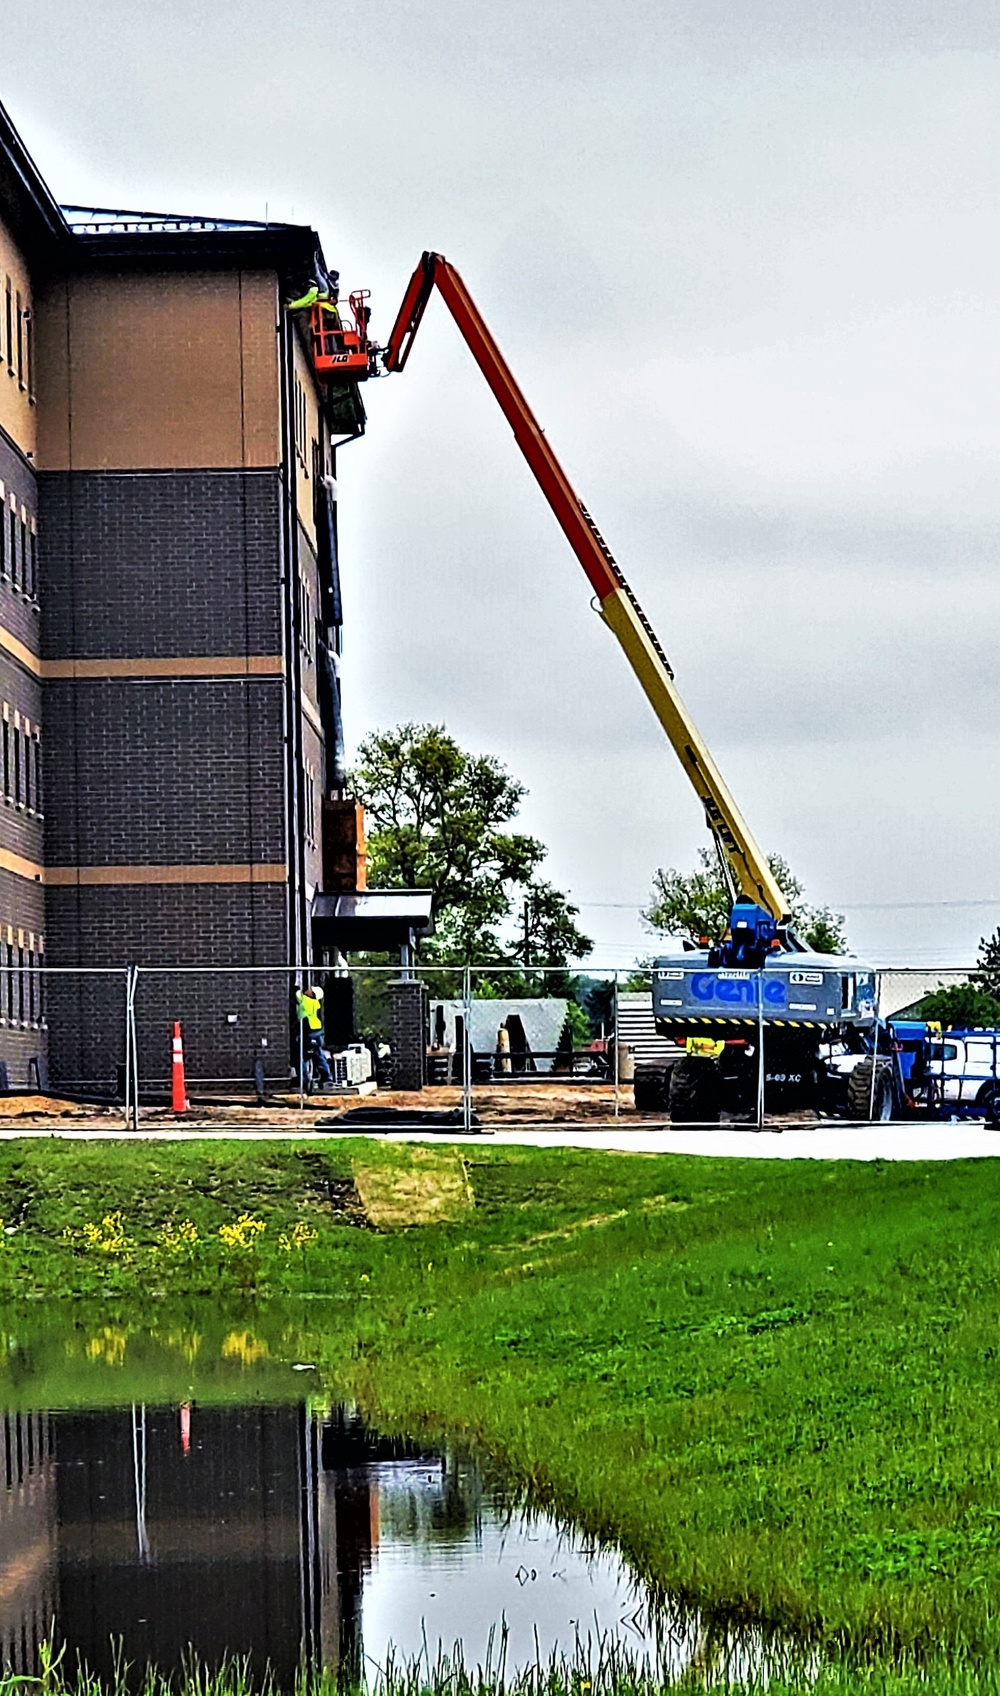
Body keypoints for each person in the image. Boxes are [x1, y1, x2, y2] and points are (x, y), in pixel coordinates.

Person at [296, 983, 333, 1089]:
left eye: (310, 990)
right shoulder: (315, 1003)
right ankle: (327, 1078)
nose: (307, 990)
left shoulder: (305, 1000)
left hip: (309, 1031)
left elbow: (297, 994)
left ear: (312, 994)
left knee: (300, 1057)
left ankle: (304, 1080)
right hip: (317, 1031)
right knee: (318, 1055)